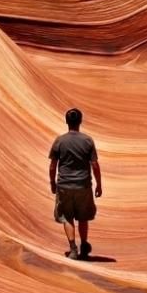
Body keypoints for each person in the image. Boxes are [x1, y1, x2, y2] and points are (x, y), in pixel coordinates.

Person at [48, 108, 102, 260]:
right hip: (83, 185)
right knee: (83, 217)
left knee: (67, 217)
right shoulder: (87, 141)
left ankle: (73, 249)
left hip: (64, 185)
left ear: (67, 122)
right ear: (80, 121)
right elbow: (95, 165)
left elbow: (53, 166)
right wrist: (99, 184)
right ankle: (84, 245)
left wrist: (52, 182)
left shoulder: (60, 141)